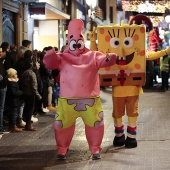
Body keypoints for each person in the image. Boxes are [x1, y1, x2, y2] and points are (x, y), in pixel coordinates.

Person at [43, 19, 117, 160]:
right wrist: (50, 55)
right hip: (69, 100)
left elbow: (105, 60)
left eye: (79, 38)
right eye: (72, 38)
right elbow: (50, 63)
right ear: (68, 40)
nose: (76, 42)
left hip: (88, 99)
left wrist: (110, 58)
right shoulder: (62, 57)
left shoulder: (93, 55)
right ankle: (62, 149)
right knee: (62, 125)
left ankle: (95, 148)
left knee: (95, 124)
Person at [20, 51, 42, 131]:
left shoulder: (23, 73)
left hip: (24, 92)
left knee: (26, 108)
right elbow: (34, 85)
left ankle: (26, 123)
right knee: (30, 109)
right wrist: (37, 95)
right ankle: (28, 125)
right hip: (30, 93)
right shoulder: (32, 73)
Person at [6, 68, 23, 132]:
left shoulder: (14, 82)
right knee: (13, 114)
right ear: (12, 75)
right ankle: (13, 126)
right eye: (15, 74)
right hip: (13, 101)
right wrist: (21, 92)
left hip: (14, 101)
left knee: (13, 113)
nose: (17, 75)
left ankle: (12, 125)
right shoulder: (11, 83)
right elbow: (14, 93)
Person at [0, 47, 9, 134]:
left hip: (3, 86)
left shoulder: (2, 61)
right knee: (1, 108)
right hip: (2, 87)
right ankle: (0, 127)